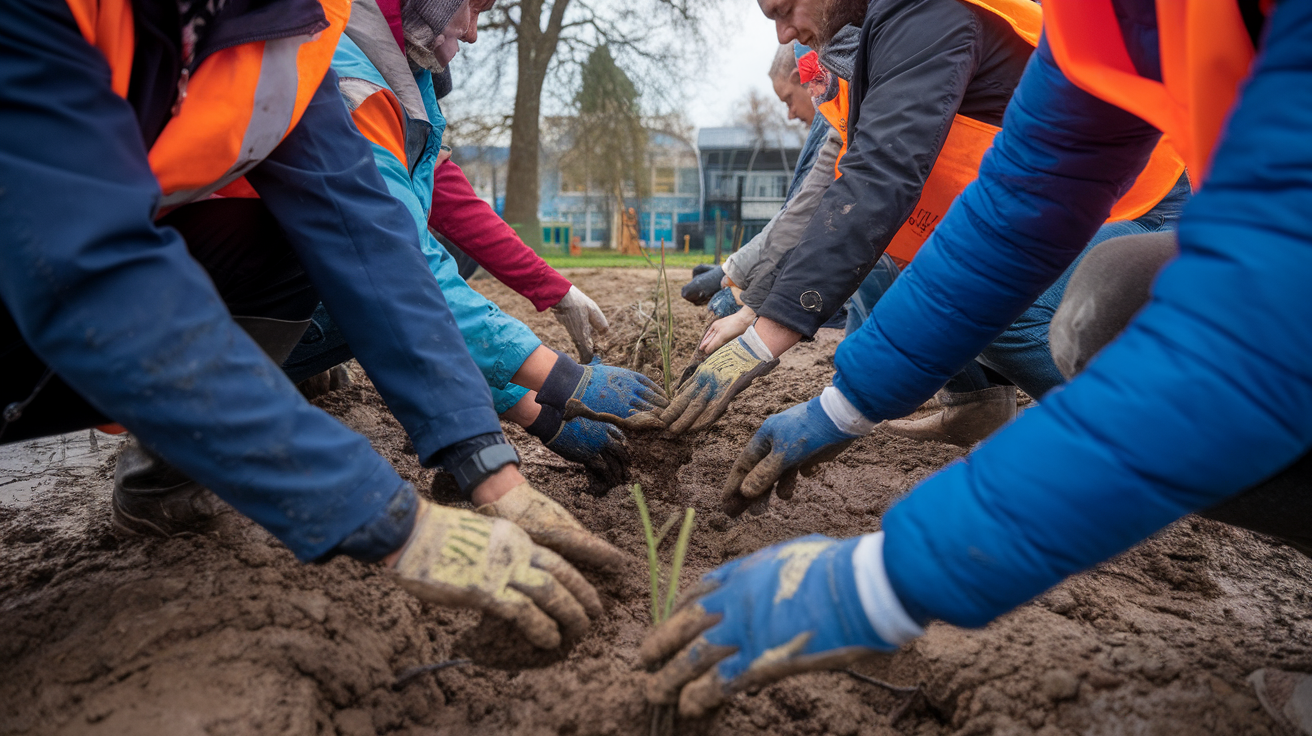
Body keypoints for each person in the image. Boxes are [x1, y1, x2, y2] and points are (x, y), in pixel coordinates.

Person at [642, 0, 1312, 728]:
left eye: (782, 8)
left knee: (1128, 322)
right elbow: (1017, 207)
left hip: (1269, 266)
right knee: (1112, 306)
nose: (781, 29)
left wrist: (881, 582)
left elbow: (1252, 325)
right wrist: (844, 405)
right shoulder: (1105, 17)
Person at [0, 0, 648, 650]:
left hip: (83, 292)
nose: (475, 29)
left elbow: (364, 235)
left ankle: (172, 471)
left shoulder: (293, 26)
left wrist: (488, 465)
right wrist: (383, 518)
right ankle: (165, 466)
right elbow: (88, 273)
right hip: (44, 285)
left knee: (298, 247)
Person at [658, 0, 1186, 438]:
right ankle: (977, 403)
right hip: (1044, 214)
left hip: (1139, 205)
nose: (784, 31)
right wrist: (755, 303)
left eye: (786, 8)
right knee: (896, 261)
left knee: (987, 299)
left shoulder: (926, 15)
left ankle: (1139, 439)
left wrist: (774, 338)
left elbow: (881, 178)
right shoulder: (848, 48)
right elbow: (828, 196)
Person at [278, 0, 659, 486]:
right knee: (377, 286)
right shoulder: (356, 83)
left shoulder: (402, 76)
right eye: (473, 8)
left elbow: (448, 202)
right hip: (221, 331)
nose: (475, 33)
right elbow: (400, 280)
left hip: (253, 298)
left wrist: (551, 292)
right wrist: (558, 386)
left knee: (424, 263)